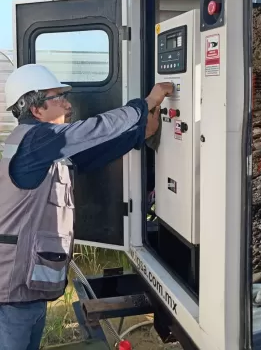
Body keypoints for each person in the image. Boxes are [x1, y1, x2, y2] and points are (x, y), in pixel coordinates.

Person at [0, 63, 172, 350]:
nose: (68, 105)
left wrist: (137, 135)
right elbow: (94, 130)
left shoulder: (42, 150)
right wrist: (145, 104)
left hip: (25, 290)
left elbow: (90, 157)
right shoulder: (35, 140)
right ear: (34, 108)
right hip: (11, 293)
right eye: (59, 98)